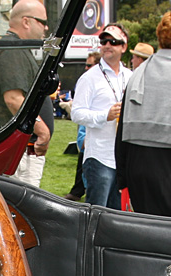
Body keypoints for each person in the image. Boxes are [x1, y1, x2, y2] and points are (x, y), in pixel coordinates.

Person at [115, 9, 171, 218]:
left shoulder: (138, 75)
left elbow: (122, 131)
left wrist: (122, 177)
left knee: (144, 229)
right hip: (170, 167)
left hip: (137, 166)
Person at [0, 0, 53, 188]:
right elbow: (13, 98)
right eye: (42, 21)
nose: (46, 28)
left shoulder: (16, 48)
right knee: (23, 210)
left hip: (22, 147)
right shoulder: (12, 49)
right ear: (26, 21)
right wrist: (42, 130)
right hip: (19, 149)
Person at [72, 23, 132, 208]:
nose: (107, 45)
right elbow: (76, 113)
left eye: (113, 42)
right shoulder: (90, 77)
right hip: (99, 157)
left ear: (123, 47)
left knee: (118, 215)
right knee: (96, 213)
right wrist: (104, 115)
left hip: (123, 157)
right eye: (104, 41)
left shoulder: (130, 76)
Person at [64, 49, 99, 202]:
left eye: (89, 65)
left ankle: (78, 190)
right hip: (87, 133)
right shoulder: (86, 81)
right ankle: (78, 190)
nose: (86, 68)